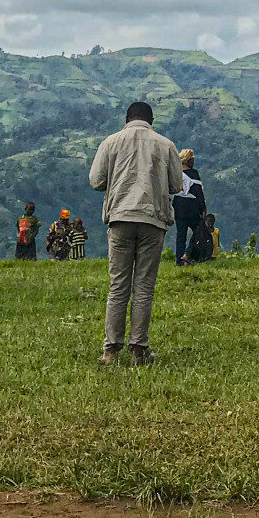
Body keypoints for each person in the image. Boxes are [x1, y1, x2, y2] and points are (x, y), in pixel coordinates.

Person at [89, 101, 183, 365]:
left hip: (120, 218)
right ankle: (139, 349)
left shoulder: (111, 142)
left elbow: (96, 181)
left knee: (118, 285)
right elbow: (176, 184)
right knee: (144, 287)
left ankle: (110, 351)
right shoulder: (165, 145)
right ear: (151, 120)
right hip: (152, 220)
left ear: (127, 119)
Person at [173, 149, 206, 265]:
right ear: (189, 160)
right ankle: (187, 254)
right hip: (192, 208)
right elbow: (198, 193)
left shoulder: (176, 173)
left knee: (181, 234)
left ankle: (179, 260)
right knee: (199, 230)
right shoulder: (193, 174)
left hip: (178, 207)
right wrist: (203, 209)